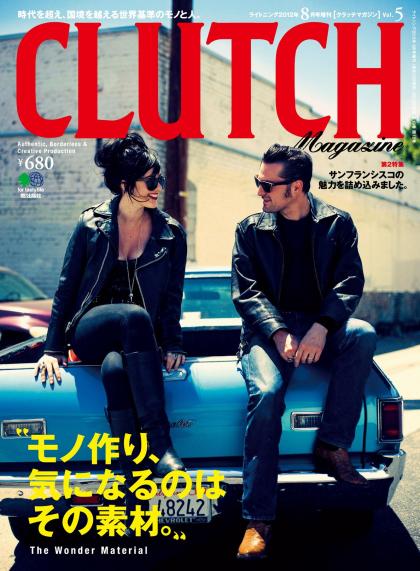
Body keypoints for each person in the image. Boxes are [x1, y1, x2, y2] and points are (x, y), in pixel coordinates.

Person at [231, 144, 377, 560]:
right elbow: (246, 292)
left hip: (318, 325)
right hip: (266, 331)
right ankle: (258, 520)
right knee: (268, 393)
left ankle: (332, 445)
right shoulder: (250, 229)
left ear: (296, 187)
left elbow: (349, 282)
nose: (259, 191)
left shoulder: (337, 224)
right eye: (258, 182)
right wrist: (278, 332)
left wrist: (321, 327)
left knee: (362, 334)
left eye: (267, 184)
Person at [34, 132, 187, 496]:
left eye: (160, 180)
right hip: (91, 329)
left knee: (116, 369)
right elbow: (66, 287)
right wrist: (53, 348)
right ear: (124, 184)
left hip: (137, 343)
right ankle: (160, 444)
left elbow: (171, 297)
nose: (159, 188)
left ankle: (133, 473)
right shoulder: (91, 225)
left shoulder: (171, 234)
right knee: (133, 316)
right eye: (150, 182)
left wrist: (173, 342)